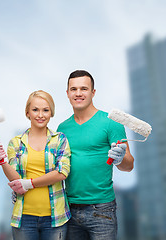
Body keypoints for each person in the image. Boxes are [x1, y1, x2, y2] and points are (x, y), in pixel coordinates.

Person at [57, 70, 134, 240]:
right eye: (74, 89)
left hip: (101, 210)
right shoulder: (62, 128)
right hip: (68, 209)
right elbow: (56, 168)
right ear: (68, 93)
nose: (78, 93)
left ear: (93, 92)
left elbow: (128, 166)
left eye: (84, 89)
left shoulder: (111, 122)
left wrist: (120, 158)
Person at [0, 90, 71, 240]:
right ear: (28, 113)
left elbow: (62, 172)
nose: (40, 115)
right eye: (35, 110)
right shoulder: (16, 142)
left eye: (45, 110)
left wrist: (29, 183)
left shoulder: (60, 140)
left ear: (51, 113)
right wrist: (2, 162)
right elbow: (16, 179)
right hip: (24, 217)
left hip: (55, 218)